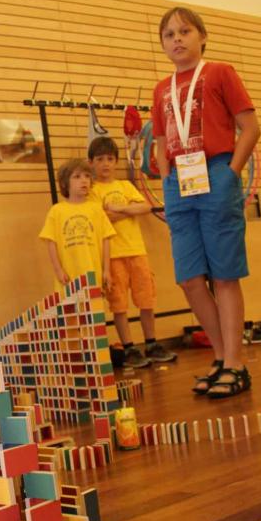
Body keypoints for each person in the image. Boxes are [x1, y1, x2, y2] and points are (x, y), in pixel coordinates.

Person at [152, 6, 260, 398]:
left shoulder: (220, 72)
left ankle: (235, 363)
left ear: (202, 36)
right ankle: (220, 357)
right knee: (189, 278)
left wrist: (230, 171)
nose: (177, 39)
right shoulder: (161, 88)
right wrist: (165, 176)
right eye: (169, 34)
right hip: (179, 180)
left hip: (215, 170)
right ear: (162, 44)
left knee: (225, 274)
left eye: (184, 31)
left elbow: (250, 127)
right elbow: (162, 139)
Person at [88, 135, 177, 369]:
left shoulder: (125, 186)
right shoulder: (92, 191)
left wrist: (119, 208)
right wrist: (128, 212)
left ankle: (151, 344)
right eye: (100, 159)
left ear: (116, 161)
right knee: (119, 305)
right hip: (112, 255)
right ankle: (128, 348)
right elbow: (99, 218)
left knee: (146, 299)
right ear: (92, 163)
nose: (106, 164)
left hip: (136, 250)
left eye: (109, 159)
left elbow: (145, 207)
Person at [39, 158, 114, 295]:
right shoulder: (56, 211)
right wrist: (58, 270)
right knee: (71, 315)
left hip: (94, 276)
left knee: (95, 315)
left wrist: (106, 270)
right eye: (77, 177)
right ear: (65, 183)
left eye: (87, 176)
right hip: (68, 279)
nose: (84, 180)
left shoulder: (96, 209)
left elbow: (106, 240)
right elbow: (51, 243)